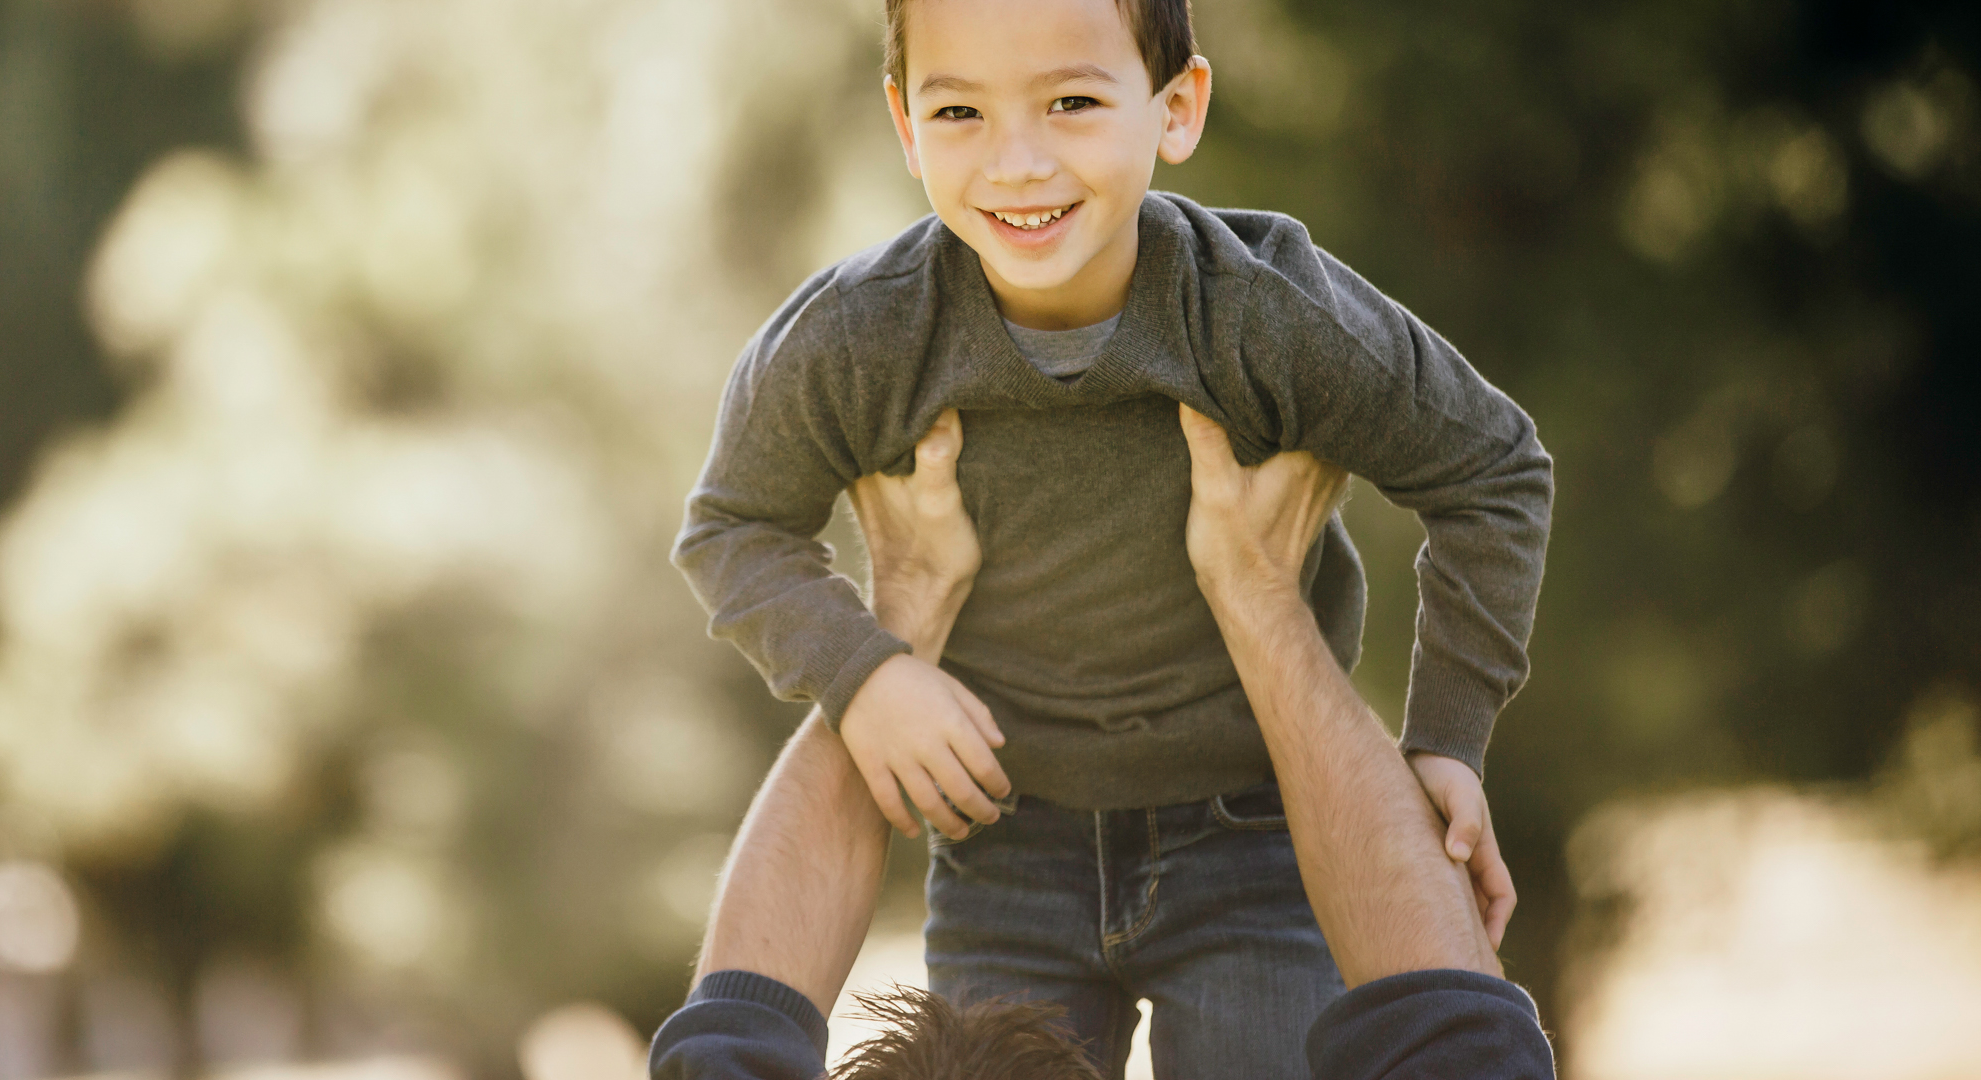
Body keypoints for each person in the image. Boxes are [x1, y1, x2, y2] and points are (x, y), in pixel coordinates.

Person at [673, 0, 1554, 1075]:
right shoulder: (862, 337)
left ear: (1175, 107)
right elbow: (732, 529)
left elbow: (1494, 469)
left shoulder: (1263, 313)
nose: (1017, 163)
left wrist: (1449, 734)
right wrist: (866, 676)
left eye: (1073, 103)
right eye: (960, 112)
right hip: (1003, 835)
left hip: (1259, 835)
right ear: (903, 124)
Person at [649, 411, 1555, 1078]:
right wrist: (1261, 597)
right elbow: (1462, 1046)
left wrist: (887, 638)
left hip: (1037, 825)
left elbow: (731, 1044)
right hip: (1118, 827)